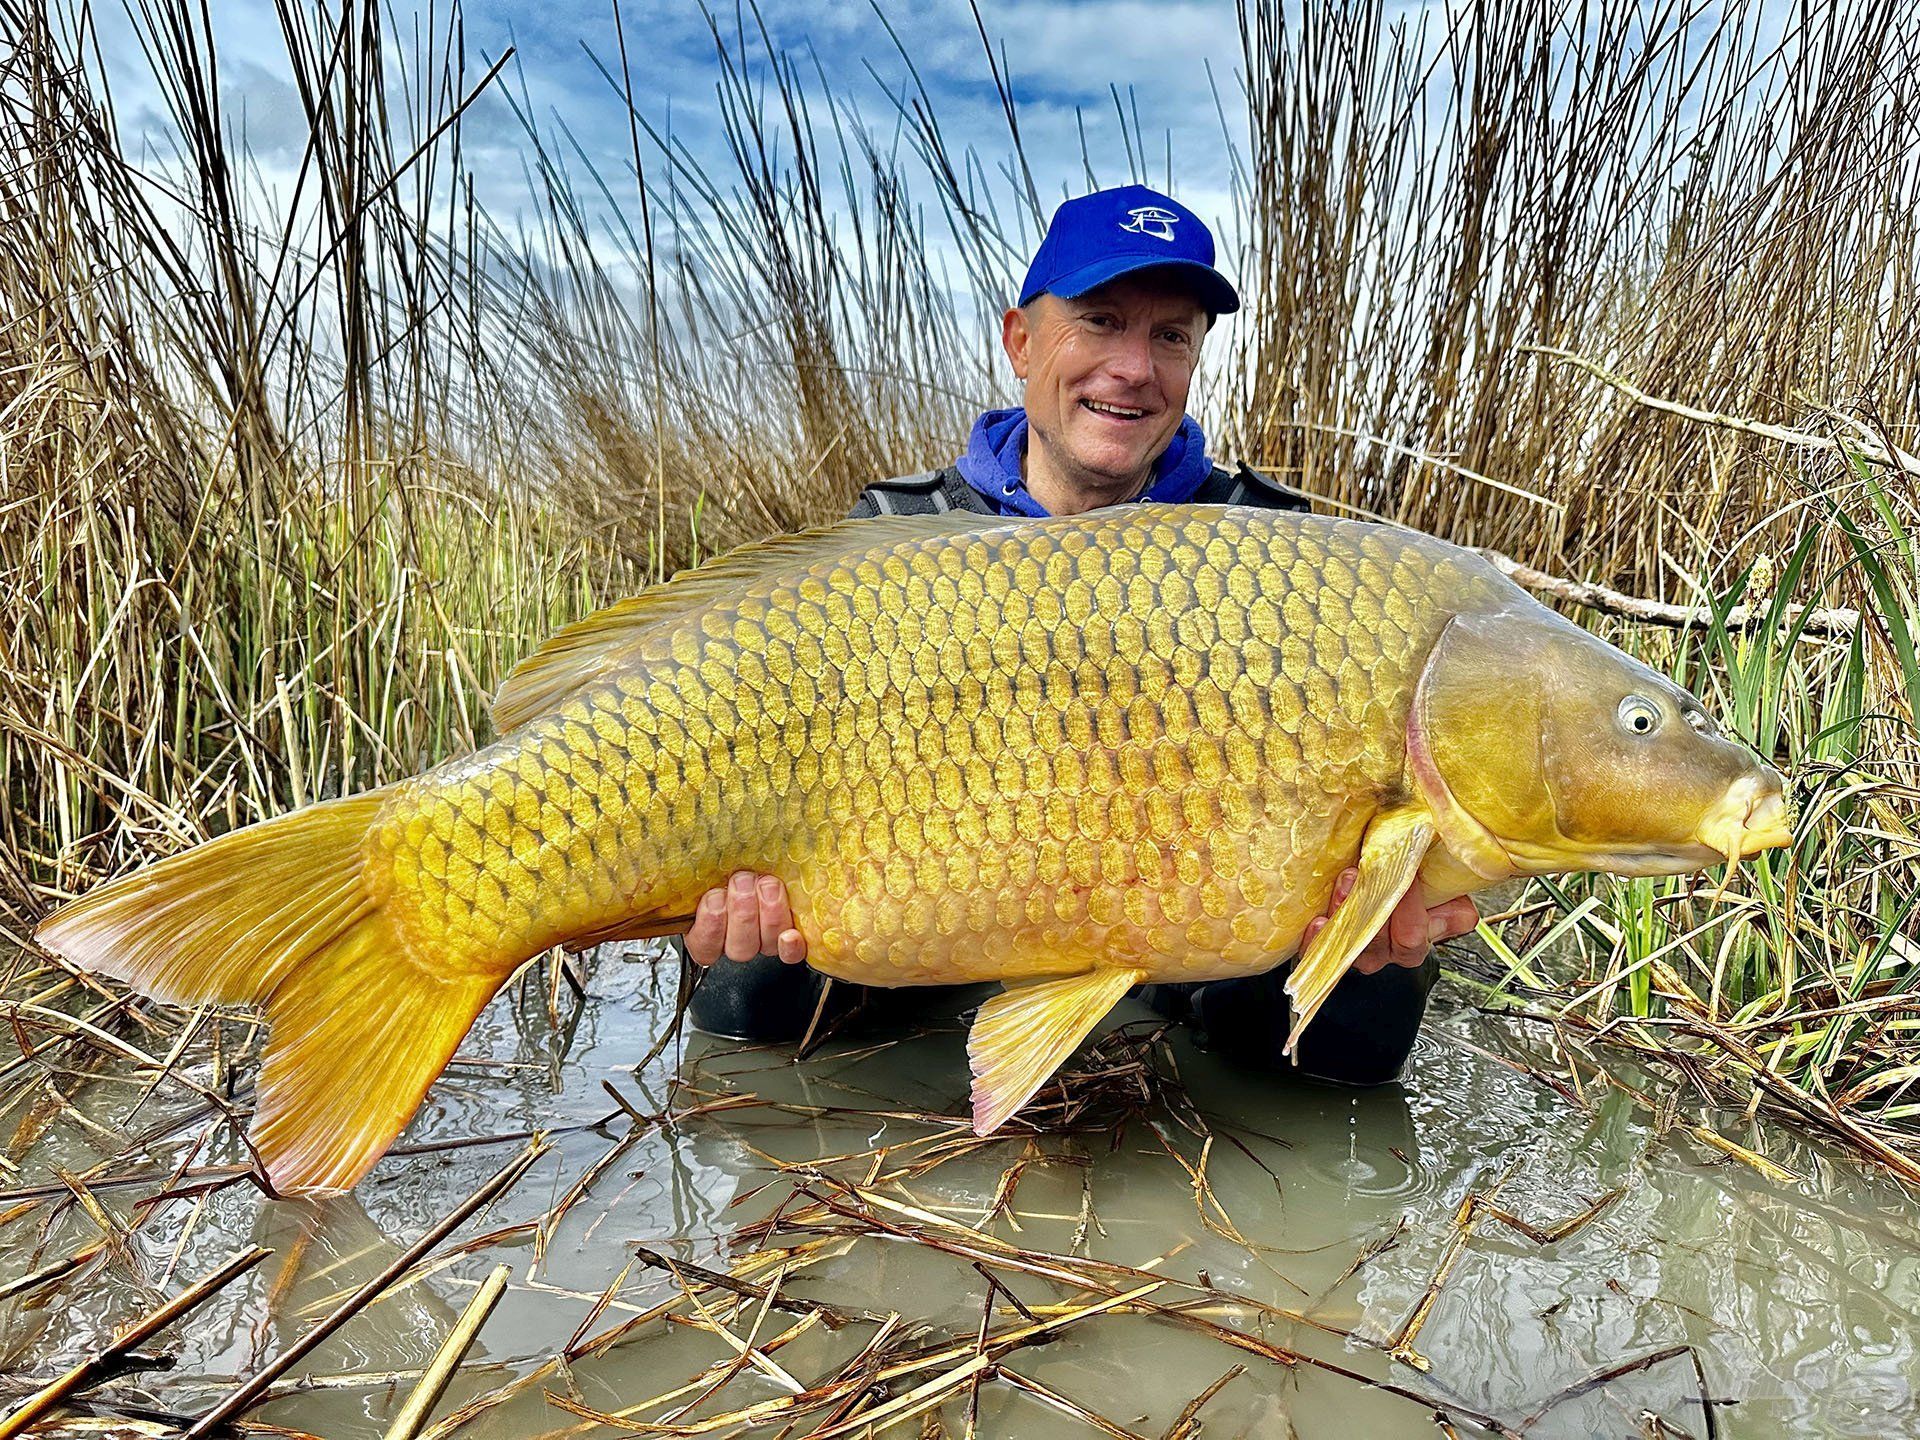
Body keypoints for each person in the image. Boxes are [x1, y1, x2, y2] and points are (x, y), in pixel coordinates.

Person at [675, 184, 1478, 1084]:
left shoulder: (1271, 549)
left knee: (1356, 1047)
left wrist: (1368, 934)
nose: (1134, 367)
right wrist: (742, 932)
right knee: (741, 1010)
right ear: (1021, 340)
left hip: (1186, 985)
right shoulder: (896, 534)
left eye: (1171, 336)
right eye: (1099, 322)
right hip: (913, 952)